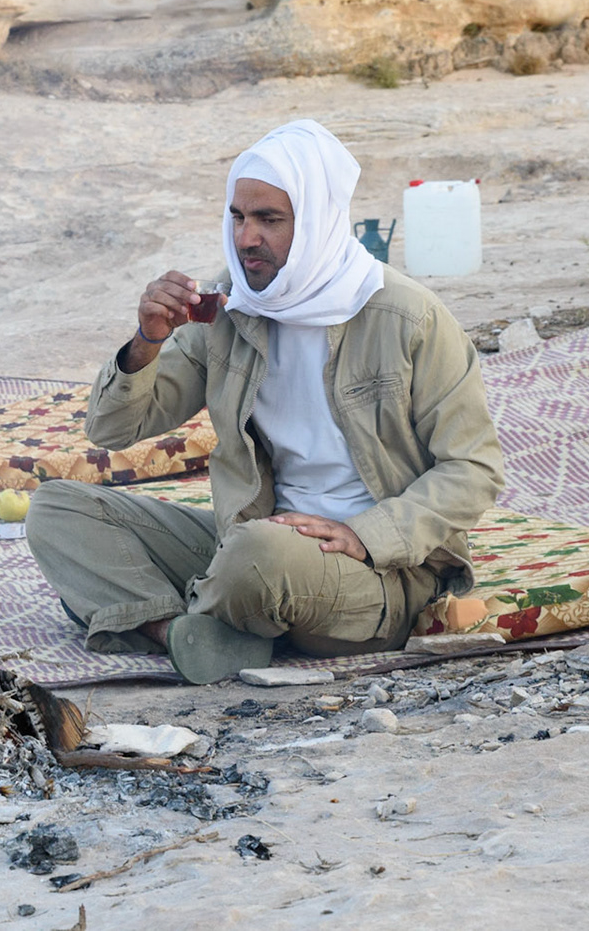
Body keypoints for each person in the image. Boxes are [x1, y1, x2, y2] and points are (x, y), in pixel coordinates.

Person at [27, 121, 504, 683]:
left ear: (319, 222)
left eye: (269, 220)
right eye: (238, 217)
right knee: (58, 509)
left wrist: (366, 534)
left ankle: (140, 610)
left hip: (376, 571)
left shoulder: (408, 317)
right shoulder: (230, 306)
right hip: (250, 537)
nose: (246, 237)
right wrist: (148, 339)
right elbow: (111, 429)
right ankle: (182, 631)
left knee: (259, 554)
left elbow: (473, 470)